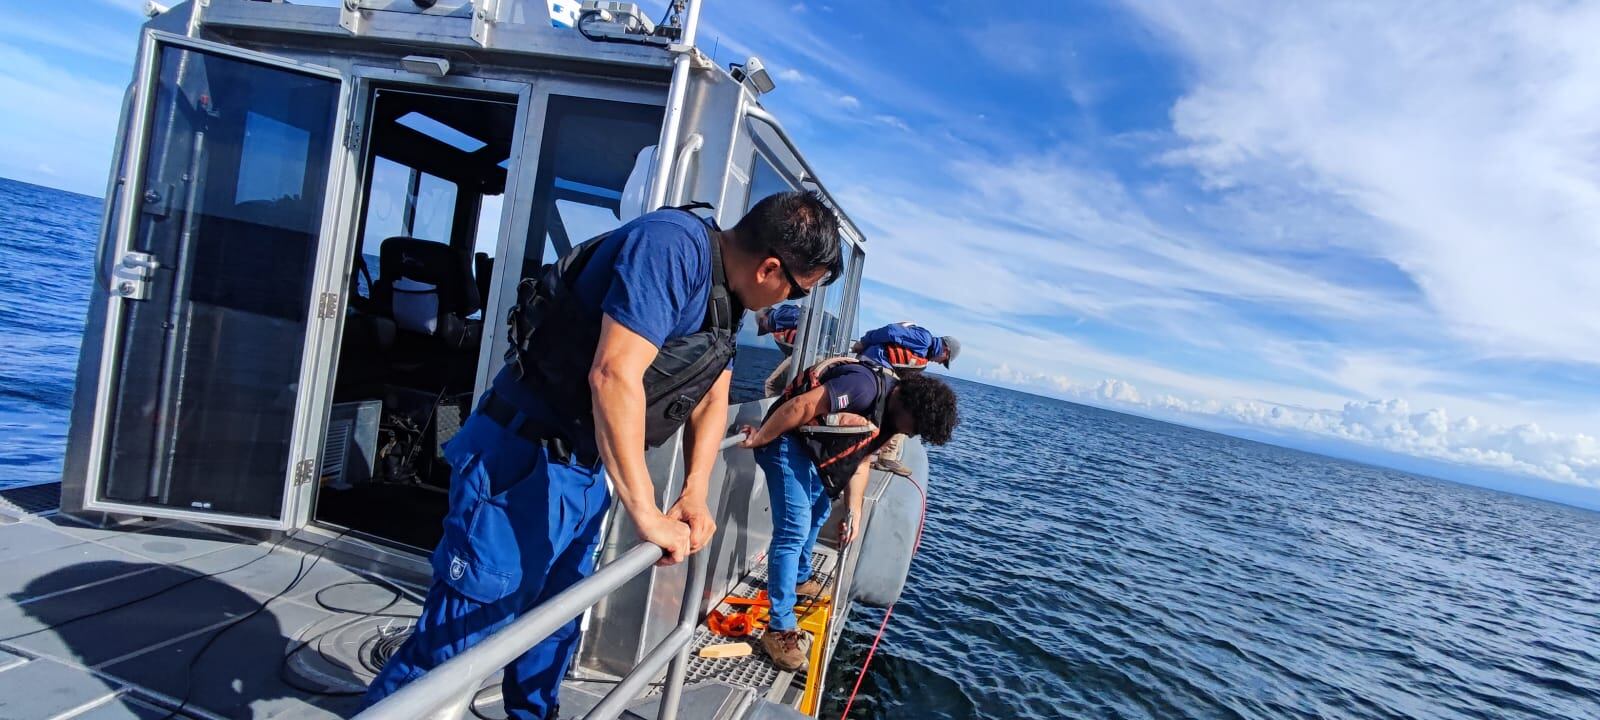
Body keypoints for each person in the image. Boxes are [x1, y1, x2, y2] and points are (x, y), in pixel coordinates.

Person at [363, 192, 842, 719]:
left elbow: (712, 394)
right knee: (460, 637)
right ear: (771, 268)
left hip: (584, 476)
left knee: (553, 626)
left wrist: (694, 491)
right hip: (521, 462)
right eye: (797, 289)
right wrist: (645, 514)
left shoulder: (727, 298)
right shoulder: (670, 248)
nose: (785, 304)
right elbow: (613, 375)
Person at [737, 358, 959, 671]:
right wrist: (761, 437)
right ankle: (779, 628)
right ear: (909, 409)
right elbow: (801, 406)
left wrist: (854, 510)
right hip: (785, 438)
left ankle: (800, 578)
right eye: (916, 428)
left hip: (810, 446)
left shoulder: (890, 418)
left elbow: (861, 461)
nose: (911, 436)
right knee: (793, 530)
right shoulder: (863, 387)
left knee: (820, 509)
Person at [851, 322, 960, 476]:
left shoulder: (924, 354)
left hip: (883, 371)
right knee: (904, 409)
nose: (939, 362)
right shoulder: (924, 339)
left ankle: (881, 453)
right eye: (944, 360)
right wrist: (865, 342)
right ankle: (885, 457)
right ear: (945, 350)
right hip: (875, 366)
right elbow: (891, 331)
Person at [756, 303, 802, 395]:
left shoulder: (778, 315)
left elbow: (804, 319)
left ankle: (775, 409)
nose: (767, 330)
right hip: (802, 353)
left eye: (763, 327)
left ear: (764, 319)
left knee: (770, 384)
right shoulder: (778, 332)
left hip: (806, 352)